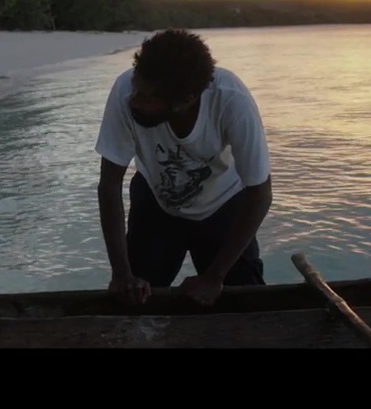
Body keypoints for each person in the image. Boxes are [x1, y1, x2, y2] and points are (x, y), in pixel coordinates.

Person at [94, 28, 273, 307]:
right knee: (131, 300)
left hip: (223, 205)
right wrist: (122, 273)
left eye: (147, 98)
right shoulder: (125, 92)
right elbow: (109, 185)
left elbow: (260, 194)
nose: (134, 102)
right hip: (156, 204)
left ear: (186, 100)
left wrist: (215, 276)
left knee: (246, 303)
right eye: (136, 88)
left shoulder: (231, 100)